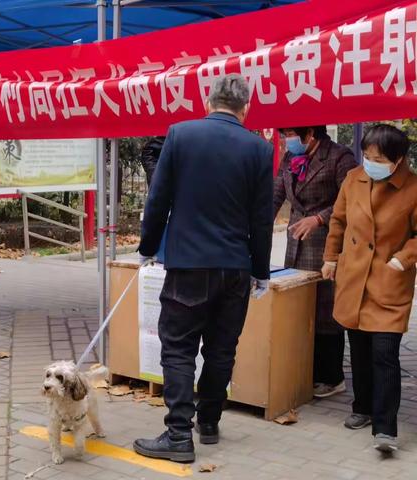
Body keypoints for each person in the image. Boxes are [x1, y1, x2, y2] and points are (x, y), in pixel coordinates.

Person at [134, 74, 274, 463]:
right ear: (245, 109)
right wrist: (260, 271)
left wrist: (147, 248)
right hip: (235, 266)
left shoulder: (180, 135)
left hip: (189, 264)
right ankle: (208, 422)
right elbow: (262, 219)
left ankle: (179, 433)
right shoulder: (259, 149)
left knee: (178, 347)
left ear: (207, 102)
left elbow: (158, 198)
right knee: (221, 349)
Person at [322, 124, 417, 453]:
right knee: (359, 349)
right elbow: (338, 220)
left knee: (385, 354)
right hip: (354, 278)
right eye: (368, 155)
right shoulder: (354, 179)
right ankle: (361, 408)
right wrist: (331, 259)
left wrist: (403, 259)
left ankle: (386, 427)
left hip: (388, 281)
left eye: (378, 158)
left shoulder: (413, 187)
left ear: (398, 158)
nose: (370, 162)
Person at [274, 125, 357, 398]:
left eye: (289, 134)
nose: (286, 140)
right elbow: (276, 195)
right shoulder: (290, 159)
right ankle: (306, 370)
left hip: (327, 242)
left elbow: (351, 199)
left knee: (325, 310)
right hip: (297, 242)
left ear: (309, 133)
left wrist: (320, 218)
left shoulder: (339, 157)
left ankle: (332, 376)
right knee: (300, 306)